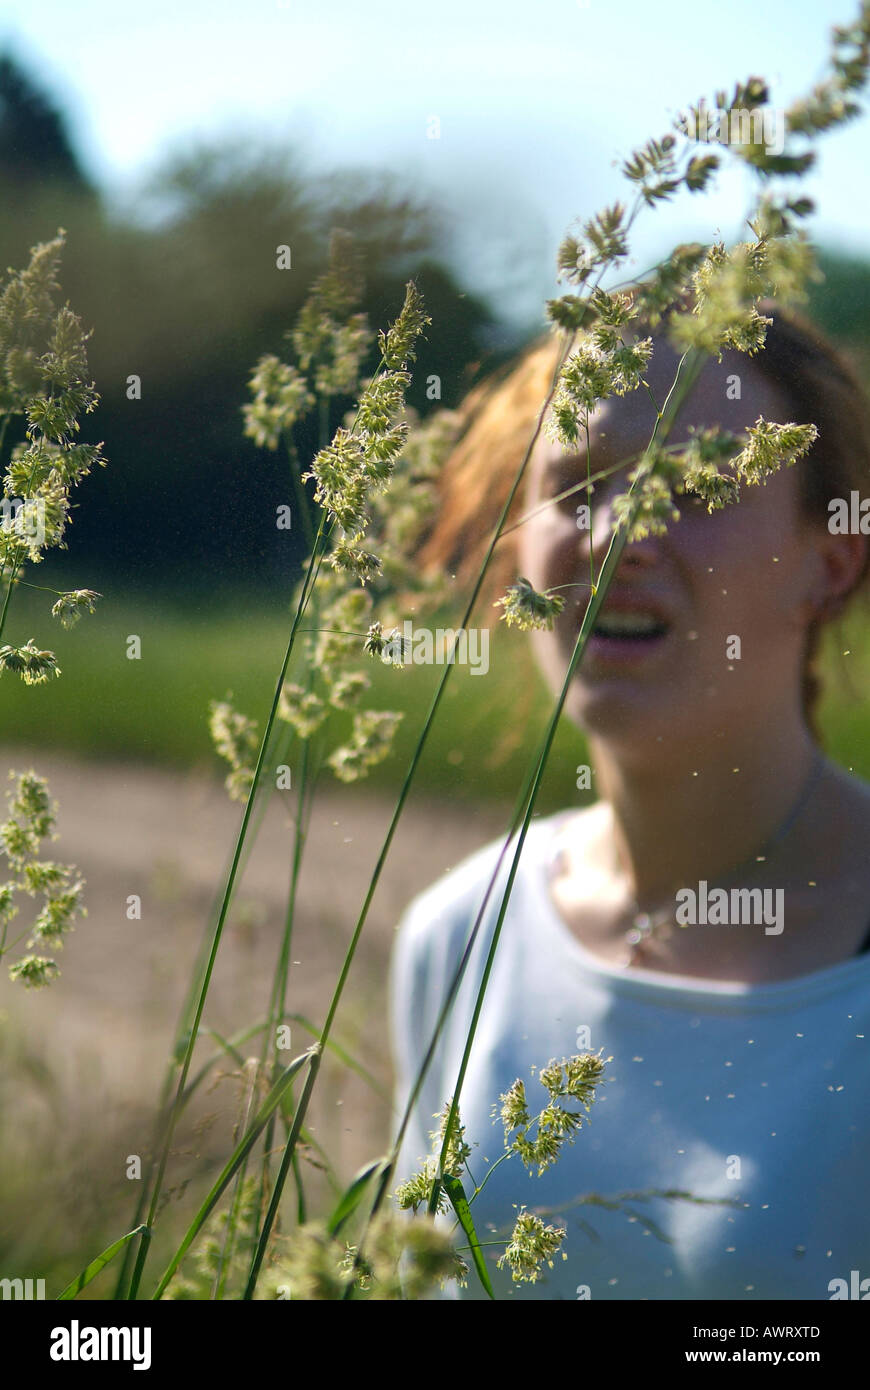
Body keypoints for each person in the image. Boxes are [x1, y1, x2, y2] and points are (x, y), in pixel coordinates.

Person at [387, 302, 870, 1300]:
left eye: (694, 487)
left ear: (833, 562)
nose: (618, 537)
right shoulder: (459, 935)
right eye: (580, 486)